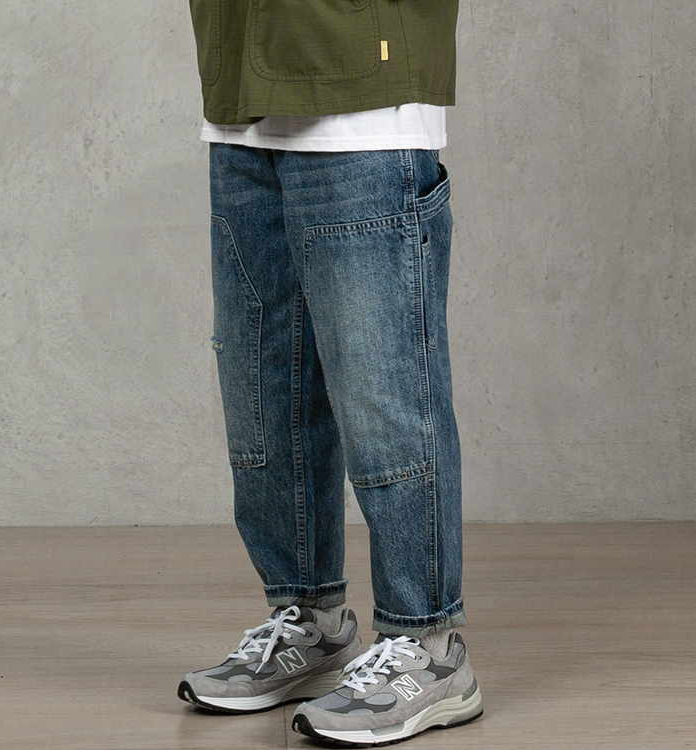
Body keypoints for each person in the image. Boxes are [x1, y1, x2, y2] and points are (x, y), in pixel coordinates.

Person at [177, 1, 484, 744]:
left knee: (385, 392)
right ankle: (311, 621)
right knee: (263, 391)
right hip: (240, 91)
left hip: (363, 94)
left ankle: (430, 646)